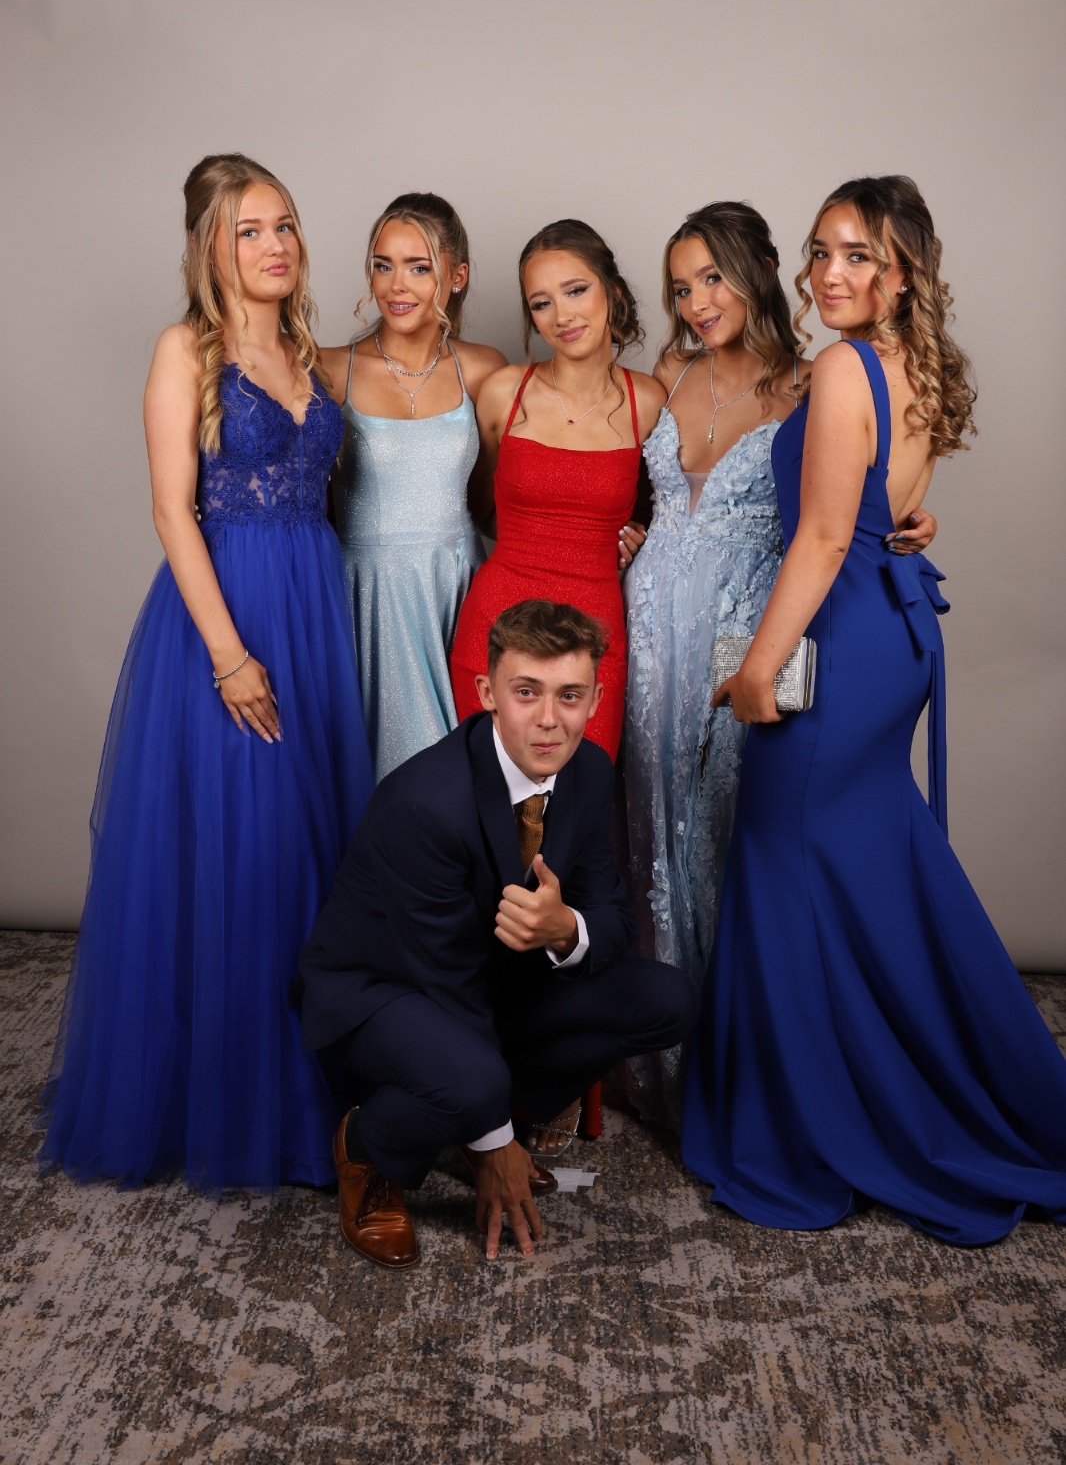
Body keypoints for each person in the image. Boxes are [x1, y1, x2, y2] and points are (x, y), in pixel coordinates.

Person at [682, 175, 1066, 1244]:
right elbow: (890, 508)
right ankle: (945, 1082)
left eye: (858, 255)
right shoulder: (917, 364)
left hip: (838, 637)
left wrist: (758, 670)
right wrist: (904, 520)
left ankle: (807, 1123)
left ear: (903, 272)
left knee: (781, 865)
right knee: (870, 874)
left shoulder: (847, 364)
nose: (829, 273)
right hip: (892, 633)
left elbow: (819, 537)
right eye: (819, 252)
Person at [38, 154, 374, 1192]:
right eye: (249, 230)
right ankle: (238, 1103)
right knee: (248, 854)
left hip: (312, 606)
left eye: (285, 225)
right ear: (207, 248)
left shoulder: (310, 351)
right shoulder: (185, 348)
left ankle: (318, 1090)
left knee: (314, 850)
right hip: (226, 615)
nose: (275, 246)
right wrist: (229, 656)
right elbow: (170, 509)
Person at [623, 201, 938, 1128]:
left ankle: (744, 1067)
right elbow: (636, 489)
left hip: (756, 625)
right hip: (652, 625)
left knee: (736, 825)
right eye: (681, 287)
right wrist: (627, 530)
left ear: (761, 272)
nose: (696, 302)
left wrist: (909, 519)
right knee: (650, 819)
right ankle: (659, 1062)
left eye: (713, 278)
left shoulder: (811, 379)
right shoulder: (668, 373)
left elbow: (850, 501)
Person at [299, 600, 699, 1267]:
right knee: (474, 1080)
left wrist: (565, 929)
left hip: (493, 975)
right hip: (384, 990)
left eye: (569, 695)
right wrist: (497, 1143)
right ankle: (368, 1150)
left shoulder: (588, 770)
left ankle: (476, 1115)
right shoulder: (427, 804)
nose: (549, 719)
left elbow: (612, 919)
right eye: (526, 692)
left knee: (668, 1000)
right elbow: (444, 983)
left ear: (596, 699)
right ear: (488, 693)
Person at [448, 219, 663, 766]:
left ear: (612, 290)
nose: (561, 316)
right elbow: (479, 509)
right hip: (497, 629)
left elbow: (662, 516)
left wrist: (639, 540)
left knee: (579, 802)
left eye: (575, 290)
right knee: (487, 797)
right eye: (541, 303)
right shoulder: (503, 392)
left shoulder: (650, 402)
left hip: (595, 638)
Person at [323, 193, 507, 781]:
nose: (396, 285)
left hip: (455, 588)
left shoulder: (484, 369)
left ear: (457, 276)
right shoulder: (330, 369)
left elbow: (493, 505)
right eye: (383, 265)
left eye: (418, 267)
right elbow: (309, 502)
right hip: (364, 593)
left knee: (459, 772)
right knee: (374, 774)